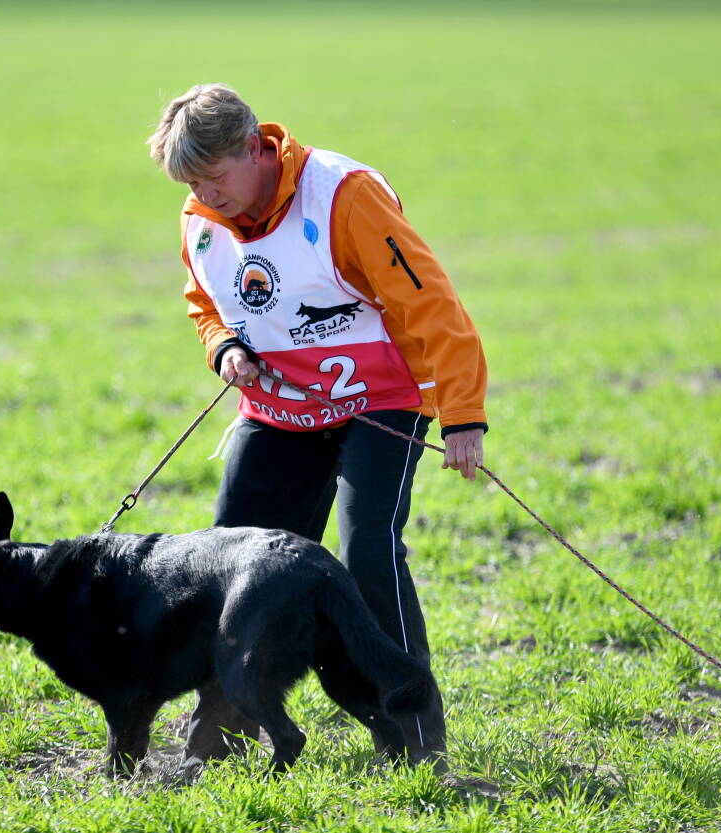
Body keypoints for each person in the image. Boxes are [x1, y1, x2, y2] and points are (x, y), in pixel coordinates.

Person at [147, 84, 487, 775]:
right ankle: (221, 734)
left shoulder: (344, 197)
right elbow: (204, 299)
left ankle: (414, 736)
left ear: (254, 147)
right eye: (191, 185)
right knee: (233, 558)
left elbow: (430, 302)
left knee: (367, 553)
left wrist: (462, 414)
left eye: (214, 177)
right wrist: (223, 345)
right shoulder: (203, 217)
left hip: (379, 402)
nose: (205, 196)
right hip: (280, 408)